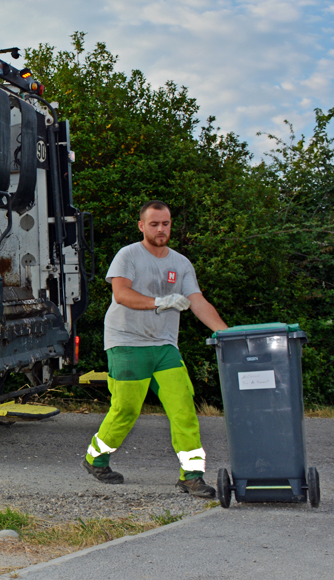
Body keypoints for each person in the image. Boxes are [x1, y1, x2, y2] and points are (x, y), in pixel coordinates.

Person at [82, 200, 228, 499]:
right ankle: (95, 458)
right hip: (126, 343)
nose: (161, 229)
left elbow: (198, 302)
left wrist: (227, 334)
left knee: (184, 409)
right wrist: (159, 302)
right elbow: (121, 294)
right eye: (154, 224)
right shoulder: (128, 255)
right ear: (142, 226)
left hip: (164, 347)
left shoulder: (181, 263)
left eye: (166, 224)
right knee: (125, 410)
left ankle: (191, 476)